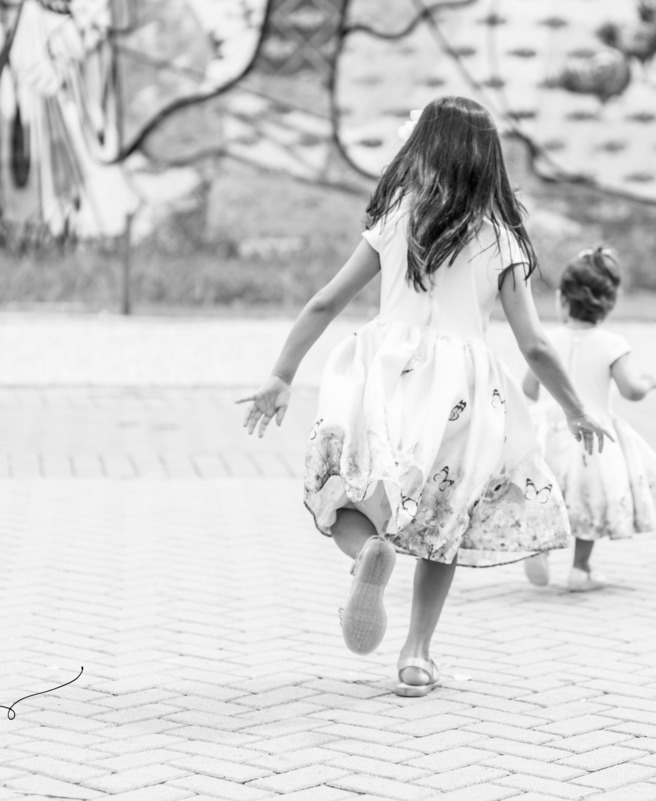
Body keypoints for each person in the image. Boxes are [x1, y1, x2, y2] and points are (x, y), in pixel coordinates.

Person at [238, 96, 611, 698]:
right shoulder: (503, 238)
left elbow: (325, 301)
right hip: (465, 393)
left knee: (344, 491)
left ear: (421, 147)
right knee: (445, 521)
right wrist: (577, 409)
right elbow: (536, 345)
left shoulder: (397, 219)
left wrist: (281, 375)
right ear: (489, 160)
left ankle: (367, 554)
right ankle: (416, 656)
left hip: (388, 376)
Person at [521, 246, 656, 592]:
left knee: (548, 493)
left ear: (562, 299)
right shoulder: (612, 344)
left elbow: (529, 388)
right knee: (589, 497)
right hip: (591, 437)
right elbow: (630, 390)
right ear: (608, 303)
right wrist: (648, 382)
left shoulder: (547, 340)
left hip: (549, 432)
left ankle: (540, 550)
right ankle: (580, 569)